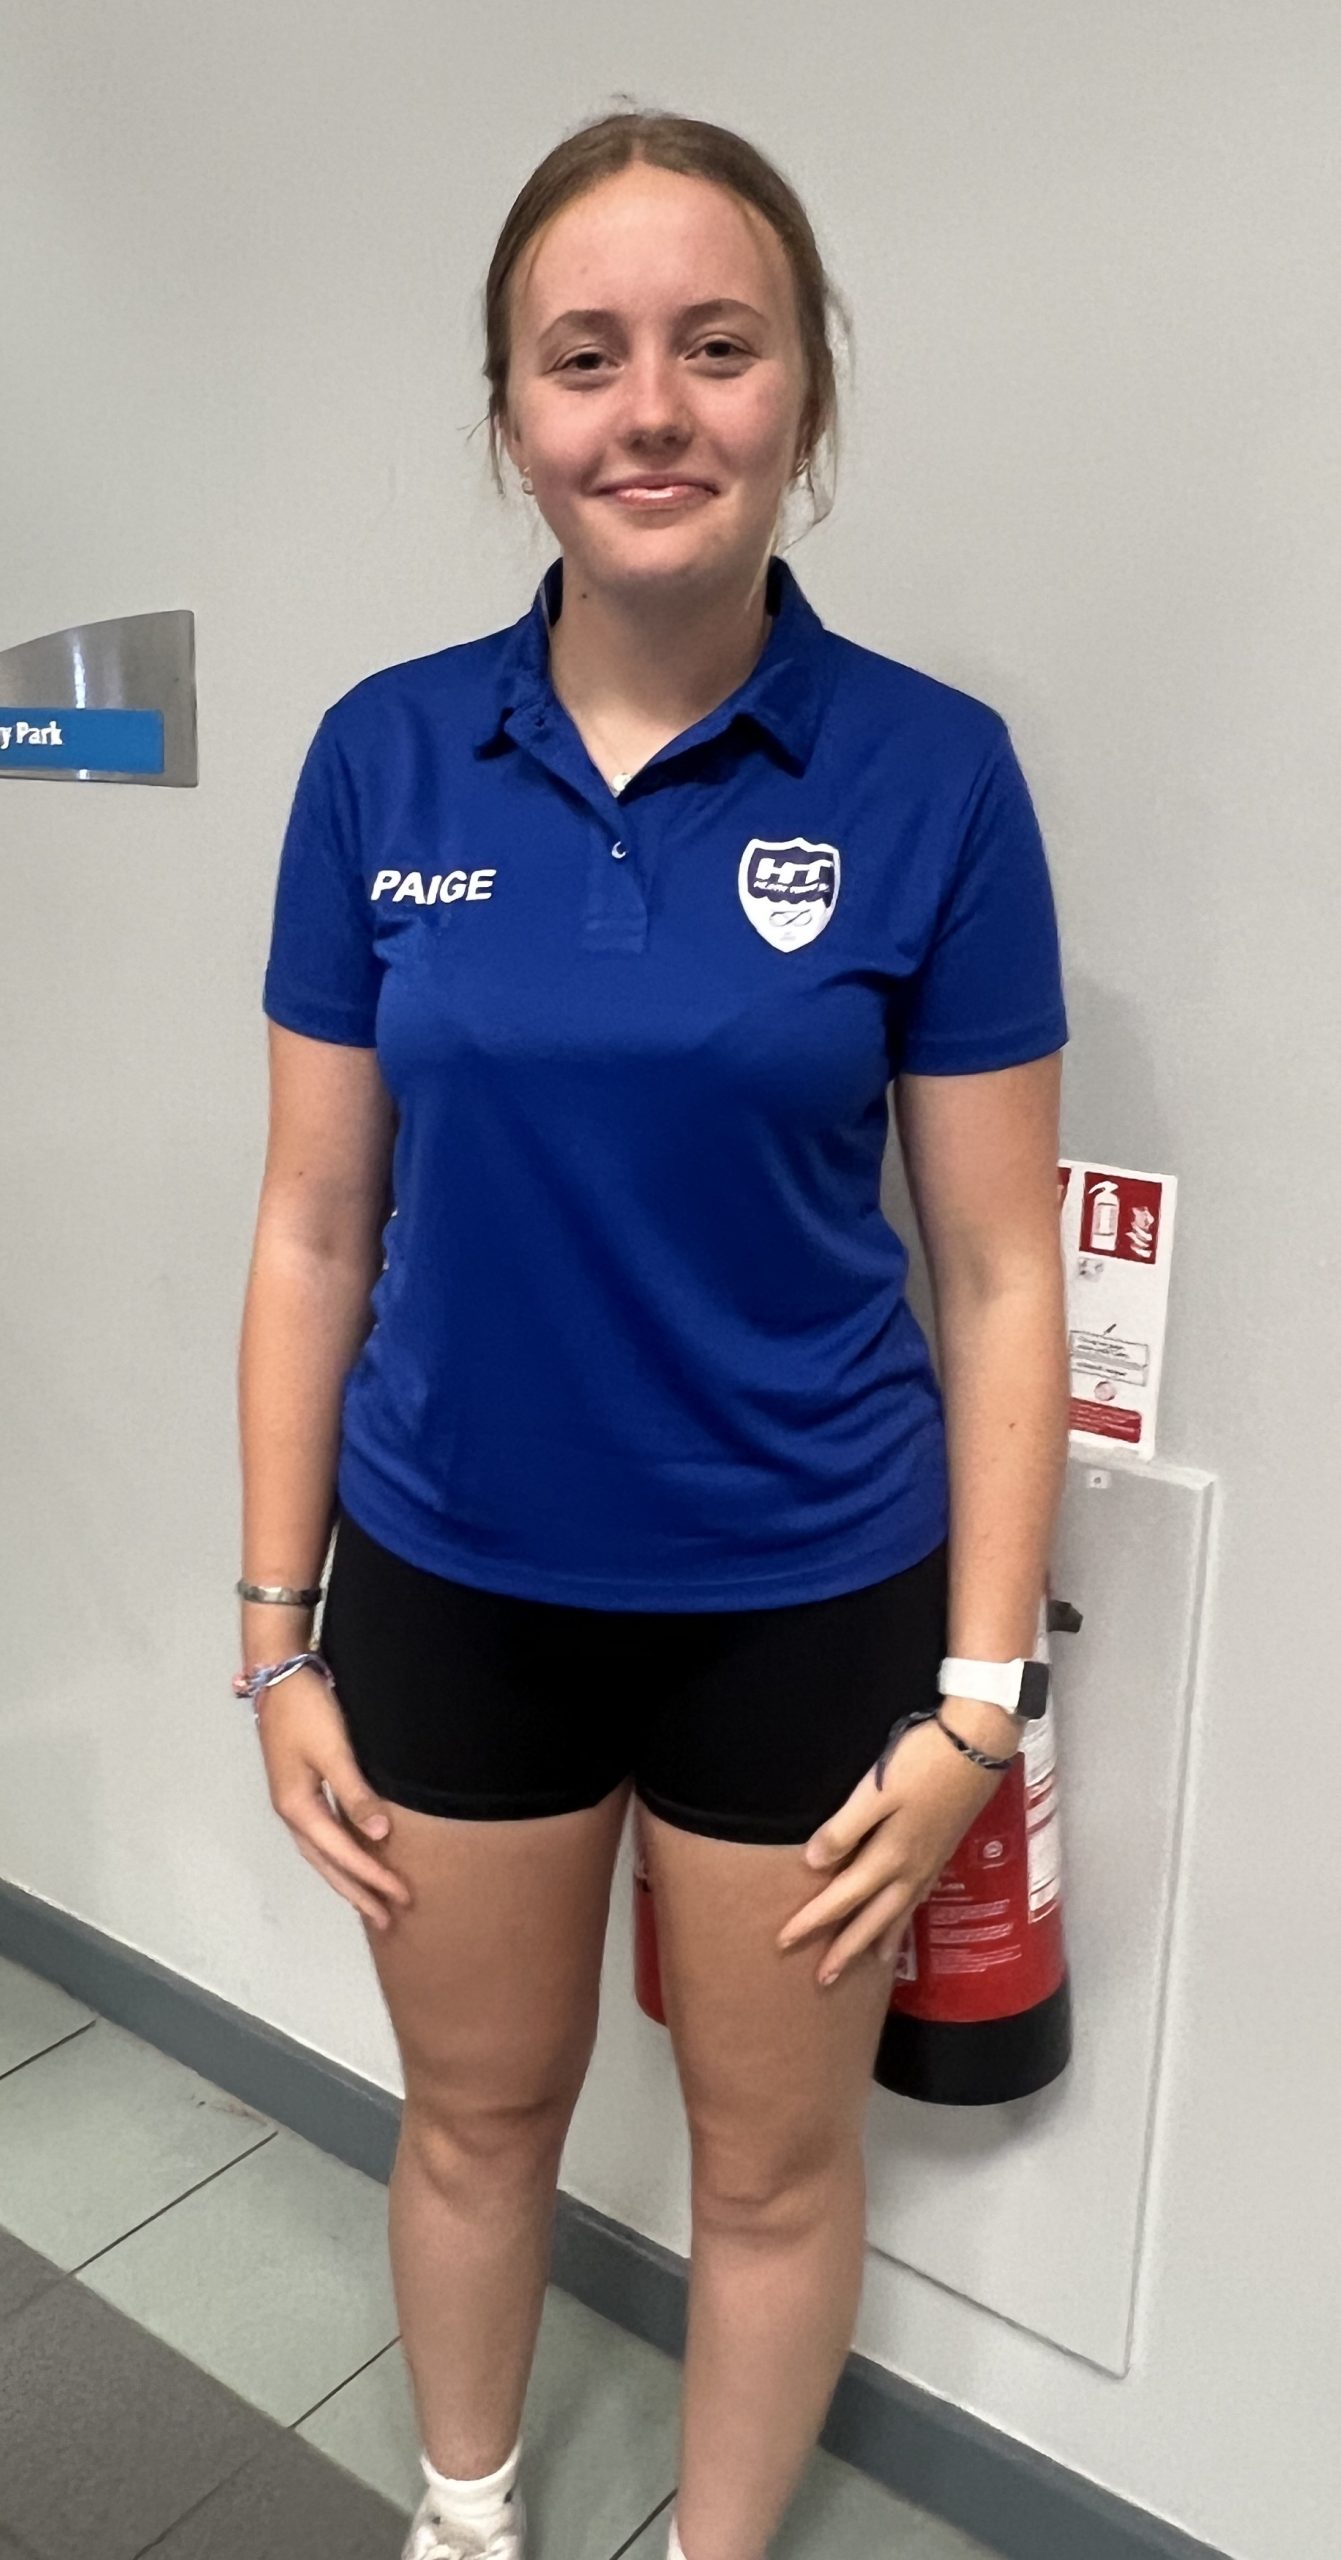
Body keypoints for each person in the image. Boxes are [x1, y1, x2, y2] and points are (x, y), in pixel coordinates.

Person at [237, 106, 1070, 2560]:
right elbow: (311, 1223)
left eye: (717, 345)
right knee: (476, 2111)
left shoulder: (933, 775)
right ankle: (466, 2515)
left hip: (805, 1600)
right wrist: (273, 1633)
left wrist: (978, 1701)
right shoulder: (383, 754)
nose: (651, 410)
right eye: (581, 355)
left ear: (805, 389)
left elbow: (998, 1269)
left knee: (768, 2162)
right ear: (508, 410)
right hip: (450, 1581)